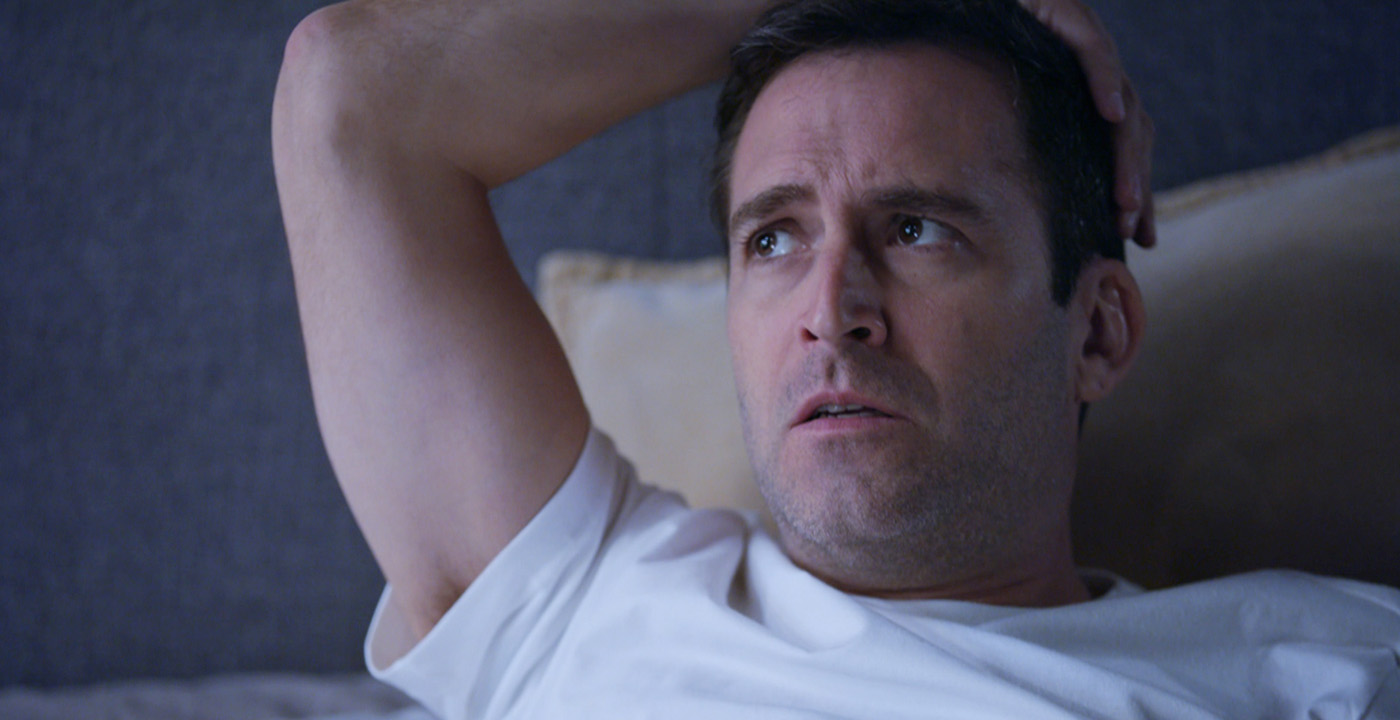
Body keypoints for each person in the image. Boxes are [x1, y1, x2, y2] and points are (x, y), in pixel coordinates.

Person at [271, 0, 1400, 717]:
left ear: (1097, 331)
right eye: (773, 239)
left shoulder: (1321, 665)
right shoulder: (574, 602)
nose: (831, 310)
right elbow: (352, 91)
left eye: (915, 229)